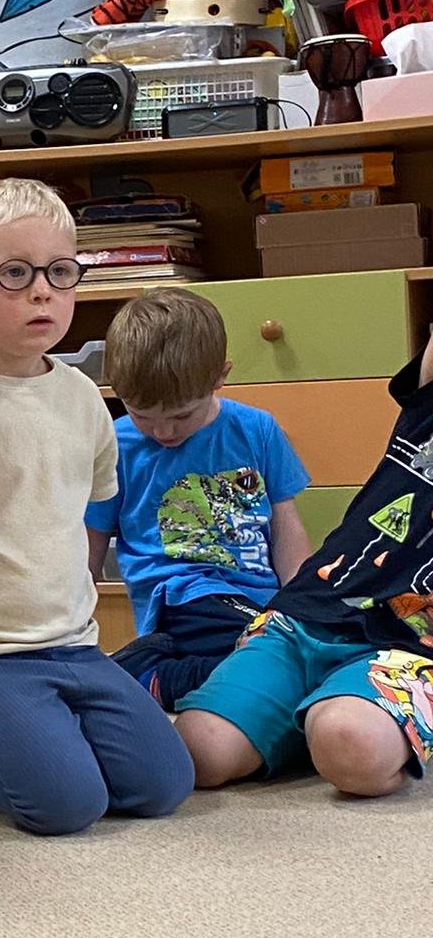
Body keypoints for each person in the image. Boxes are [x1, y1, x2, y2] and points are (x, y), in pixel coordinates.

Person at [0, 178, 193, 835]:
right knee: (67, 806)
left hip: (75, 646)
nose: (42, 291)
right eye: (14, 273)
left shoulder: (85, 397)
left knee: (163, 785)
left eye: (59, 272)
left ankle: (34, 729)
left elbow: (85, 516)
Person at [176, 324, 433, 796]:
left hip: (409, 647)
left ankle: (343, 716)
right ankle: (313, 714)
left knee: (349, 745)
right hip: (308, 613)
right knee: (199, 752)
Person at [85, 288, 312, 709]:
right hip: (181, 596)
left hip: (255, 603)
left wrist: (303, 606)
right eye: (141, 415)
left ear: (219, 377)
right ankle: (146, 677)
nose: (163, 432)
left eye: (180, 416)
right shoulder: (115, 445)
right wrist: (70, 628)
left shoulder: (257, 430)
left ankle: (145, 674)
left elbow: (287, 532)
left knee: (296, 655)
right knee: (272, 663)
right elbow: (90, 545)